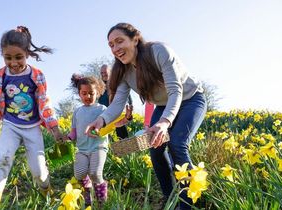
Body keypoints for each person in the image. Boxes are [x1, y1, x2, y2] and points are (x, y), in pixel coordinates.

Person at [85, 23, 207, 209]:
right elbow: (117, 104)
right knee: (156, 149)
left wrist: (165, 122)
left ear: (134, 39)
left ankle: (189, 202)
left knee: (177, 144)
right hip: (163, 105)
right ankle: (170, 198)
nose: (116, 48)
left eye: (119, 41)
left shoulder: (159, 51)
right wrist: (101, 120)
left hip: (190, 100)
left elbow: (176, 91)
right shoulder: (123, 70)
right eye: (111, 45)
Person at [0, 26, 64, 209]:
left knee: (39, 171)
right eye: (8, 58)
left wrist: (55, 129)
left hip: (33, 127)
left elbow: (44, 104)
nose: (14, 62)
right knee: (2, 162)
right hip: (10, 125)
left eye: (18, 57)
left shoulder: (37, 76)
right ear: (2, 56)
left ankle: (47, 195)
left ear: (27, 53)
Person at [67, 74, 132, 207]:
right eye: (84, 93)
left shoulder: (102, 109)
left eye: (91, 93)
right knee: (79, 174)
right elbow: (73, 132)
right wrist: (67, 139)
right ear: (79, 94)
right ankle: (87, 190)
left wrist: (126, 119)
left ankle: (102, 201)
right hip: (82, 149)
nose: (88, 97)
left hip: (99, 147)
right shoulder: (77, 112)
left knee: (95, 174)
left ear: (98, 92)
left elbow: (114, 124)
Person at [98, 64, 133, 139]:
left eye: (105, 72)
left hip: (119, 118)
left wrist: (128, 113)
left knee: (122, 141)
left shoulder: (119, 85)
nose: (103, 74)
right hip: (106, 120)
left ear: (111, 72)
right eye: (102, 73)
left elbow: (129, 100)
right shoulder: (100, 89)